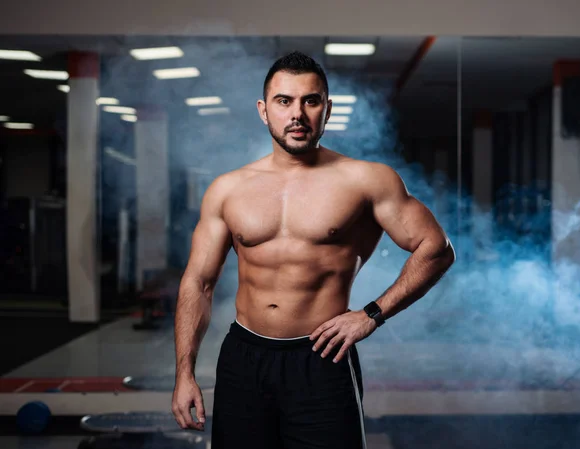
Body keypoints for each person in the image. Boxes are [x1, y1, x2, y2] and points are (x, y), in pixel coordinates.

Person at [171, 51, 455, 449]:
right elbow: (198, 283)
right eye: (284, 101)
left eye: (311, 100)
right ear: (263, 110)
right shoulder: (228, 189)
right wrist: (184, 372)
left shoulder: (367, 180)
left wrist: (372, 315)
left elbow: (436, 249)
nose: (297, 114)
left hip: (322, 358)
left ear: (327, 109)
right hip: (244, 358)